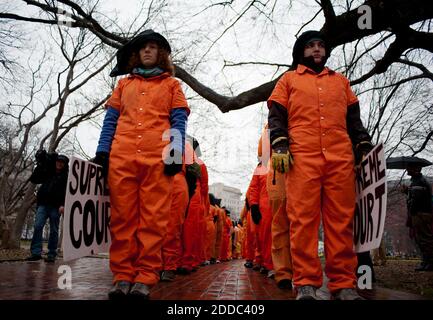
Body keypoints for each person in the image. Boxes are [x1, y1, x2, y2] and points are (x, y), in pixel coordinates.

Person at [267, 30, 373, 300]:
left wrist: (362, 143)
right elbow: (276, 116)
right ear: (301, 51)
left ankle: (344, 283)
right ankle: (305, 283)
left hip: (340, 158)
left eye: (320, 46)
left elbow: (354, 120)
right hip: (302, 158)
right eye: (311, 46)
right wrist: (279, 143)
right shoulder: (288, 80)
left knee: (341, 222)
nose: (316, 49)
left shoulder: (341, 82)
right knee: (303, 221)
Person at [93, 29, 190, 299]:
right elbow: (110, 120)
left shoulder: (172, 86)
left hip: (156, 159)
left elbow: (179, 121)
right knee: (122, 219)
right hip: (122, 157)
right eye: (144, 47)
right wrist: (102, 151)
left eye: (153, 47)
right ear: (137, 54)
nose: (148, 51)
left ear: (161, 54)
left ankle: (145, 277)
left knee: (153, 220)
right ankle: (122, 276)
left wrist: (176, 152)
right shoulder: (123, 85)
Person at [27, 150, 69, 263]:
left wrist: (63, 205)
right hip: (43, 204)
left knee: (54, 230)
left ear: (65, 165)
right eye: (58, 161)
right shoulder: (49, 171)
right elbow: (35, 178)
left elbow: (69, 193)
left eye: (62, 162)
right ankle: (36, 252)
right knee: (37, 226)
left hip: (56, 207)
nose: (59, 163)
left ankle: (51, 253)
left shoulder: (67, 177)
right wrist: (41, 163)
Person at [402, 164, 433, 271]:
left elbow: (416, 200)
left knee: (425, 239)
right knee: (421, 239)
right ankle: (426, 262)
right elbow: (416, 196)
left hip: (421, 214)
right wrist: (407, 191)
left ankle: (429, 263)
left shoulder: (419, 181)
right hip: (420, 214)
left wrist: (412, 212)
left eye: (409, 167)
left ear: (416, 169)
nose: (407, 170)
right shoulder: (417, 181)